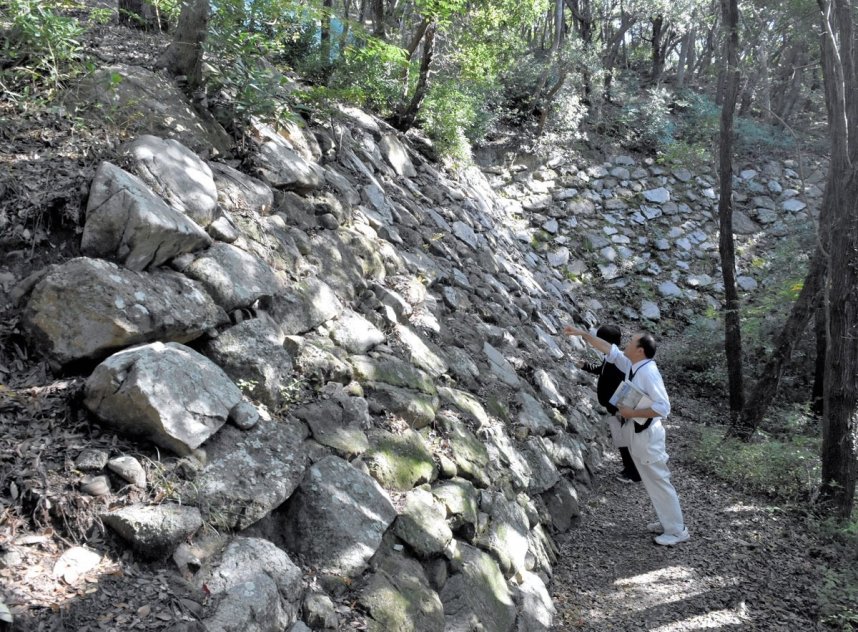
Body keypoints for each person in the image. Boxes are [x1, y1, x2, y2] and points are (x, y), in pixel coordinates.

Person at [564, 325, 690, 546]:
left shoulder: (648, 372)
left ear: (640, 350)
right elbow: (609, 350)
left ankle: (677, 530)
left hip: (648, 436)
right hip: (638, 432)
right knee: (653, 482)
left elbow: (663, 407)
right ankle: (667, 522)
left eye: (632, 343)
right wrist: (583, 334)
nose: (626, 345)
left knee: (659, 481)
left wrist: (632, 412)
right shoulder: (633, 365)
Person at [578, 324, 641, 484]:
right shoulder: (610, 357)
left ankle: (634, 474)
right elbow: (602, 370)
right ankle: (629, 469)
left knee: (626, 440)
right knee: (621, 441)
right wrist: (585, 366)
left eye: (599, 339)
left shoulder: (621, 360)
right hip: (614, 407)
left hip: (621, 408)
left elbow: (630, 385)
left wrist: (623, 409)